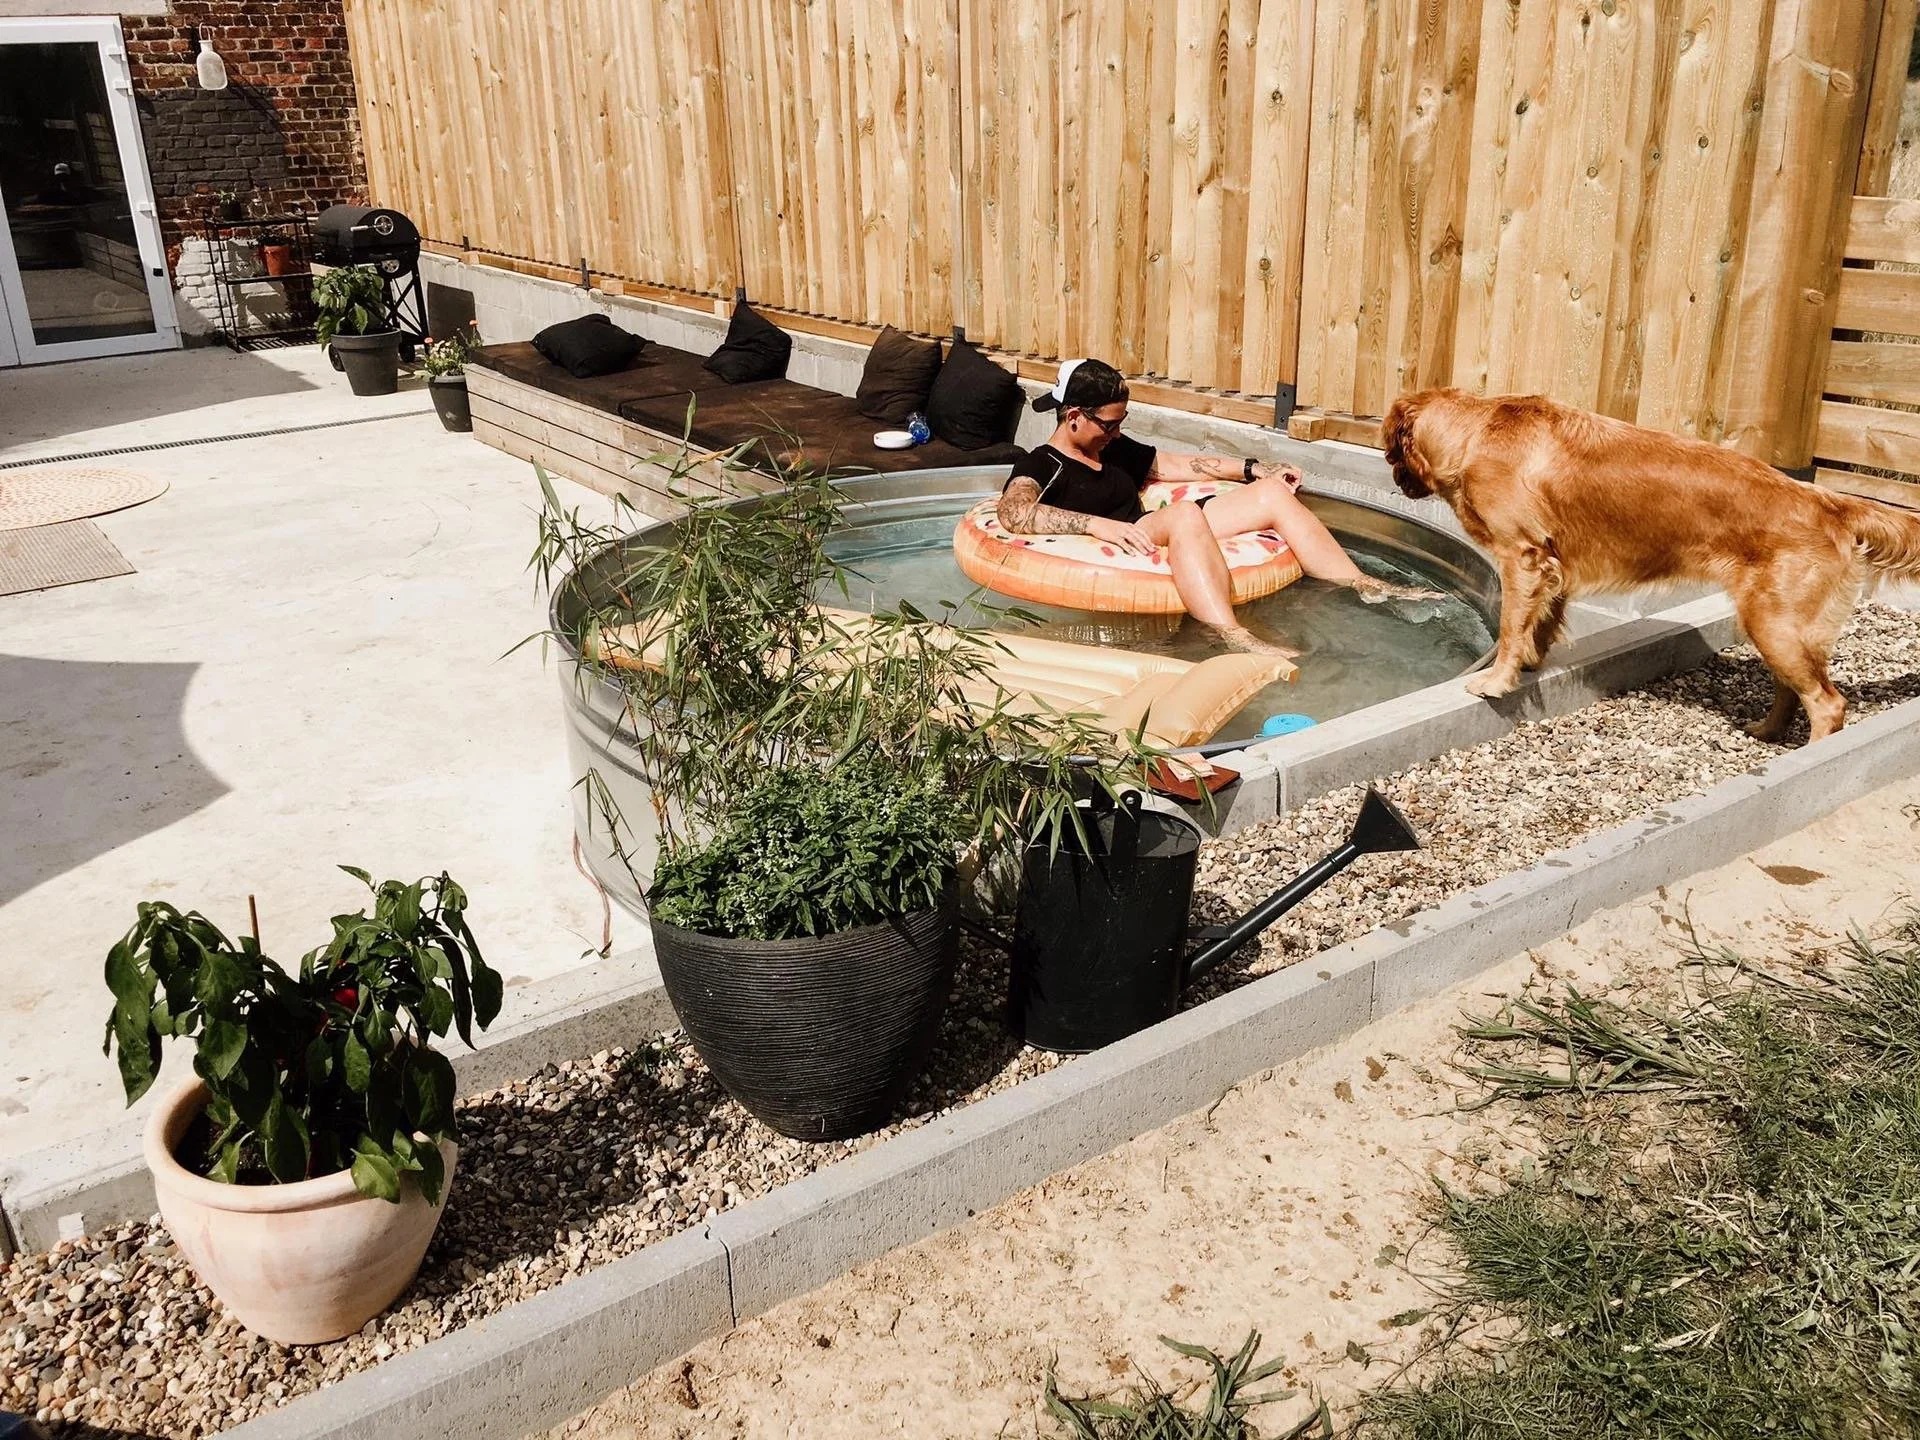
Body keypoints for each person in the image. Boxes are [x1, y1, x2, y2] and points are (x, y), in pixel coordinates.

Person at [997, 359, 1437, 655]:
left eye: (1121, 424)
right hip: (1128, 539)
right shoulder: (1043, 462)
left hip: (1152, 525)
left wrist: (1253, 469)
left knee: (1271, 496)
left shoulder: (1112, 446)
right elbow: (1014, 513)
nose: (1116, 434)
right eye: (1110, 425)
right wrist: (1097, 526)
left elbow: (1171, 464)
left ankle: (1363, 583)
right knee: (1187, 514)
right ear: (1074, 415)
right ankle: (1234, 635)